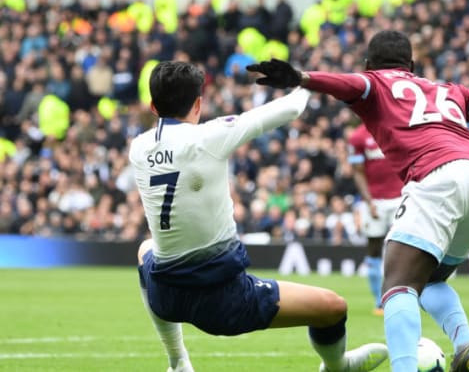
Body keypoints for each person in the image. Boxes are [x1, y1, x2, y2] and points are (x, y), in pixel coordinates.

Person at [247, 30, 469, 372]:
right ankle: (466, 344)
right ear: (411, 65)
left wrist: (302, 78)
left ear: (368, 64)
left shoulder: (375, 83)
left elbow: (348, 85)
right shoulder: (450, 90)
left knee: (398, 284)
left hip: (438, 176)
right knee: (429, 280)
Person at [129, 61, 388, 372]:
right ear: (198, 104)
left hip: (165, 296)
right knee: (333, 307)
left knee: (146, 249)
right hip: (222, 299)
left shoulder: (138, 147)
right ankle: (338, 366)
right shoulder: (207, 137)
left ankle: (178, 361)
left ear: (153, 106)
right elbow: (290, 109)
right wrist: (305, 79)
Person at [347, 123, 404, 315]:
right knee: (374, 248)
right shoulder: (357, 137)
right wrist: (369, 201)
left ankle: (403, 297)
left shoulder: (396, 129)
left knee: (403, 247)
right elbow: (357, 171)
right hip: (374, 201)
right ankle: (379, 301)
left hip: (400, 197)